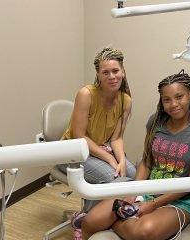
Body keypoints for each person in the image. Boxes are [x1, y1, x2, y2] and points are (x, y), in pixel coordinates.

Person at [78, 70, 190, 240]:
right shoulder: (156, 122)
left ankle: (115, 225)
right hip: (145, 191)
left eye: (179, 96)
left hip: (179, 202)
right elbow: (146, 161)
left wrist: (153, 205)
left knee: (144, 231)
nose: (173, 104)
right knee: (89, 221)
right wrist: (133, 193)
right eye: (167, 99)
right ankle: (118, 224)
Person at [58, 47, 136, 213]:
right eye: (105, 72)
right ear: (98, 75)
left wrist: (121, 159)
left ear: (123, 71)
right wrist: (109, 158)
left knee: (133, 173)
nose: (112, 76)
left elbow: (116, 138)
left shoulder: (125, 100)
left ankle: (112, 216)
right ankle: (84, 220)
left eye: (115, 71)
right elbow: (79, 136)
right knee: (113, 177)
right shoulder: (86, 94)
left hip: (98, 149)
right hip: (71, 152)